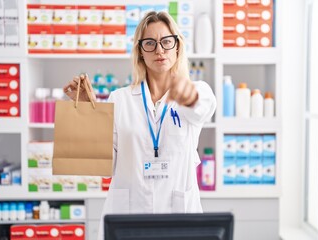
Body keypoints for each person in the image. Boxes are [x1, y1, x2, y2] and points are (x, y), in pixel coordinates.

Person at [63, 11, 216, 240]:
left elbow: (203, 106)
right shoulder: (119, 99)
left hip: (178, 215)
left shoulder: (198, 91)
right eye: (150, 43)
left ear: (177, 47)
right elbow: (106, 166)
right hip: (128, 218)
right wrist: (88, 111)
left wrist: (186, 94)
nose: (159, 50)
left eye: (166, 41)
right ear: (140, 52)